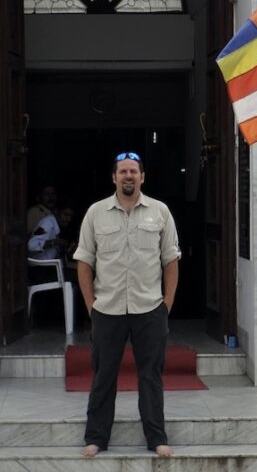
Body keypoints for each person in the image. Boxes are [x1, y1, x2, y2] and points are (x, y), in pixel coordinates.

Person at [72, 151, 180, 458]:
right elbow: (84, 261)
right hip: (108, 308)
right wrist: (91, 304)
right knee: (104, 375)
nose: (128, 176)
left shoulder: (160, 212)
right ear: (114, 177)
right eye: (123, 172)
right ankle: (96, 438)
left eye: (134, 171)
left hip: (150, 308)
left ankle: (156, 439)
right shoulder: (96, 213)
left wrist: (166, 304)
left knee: (151, 376)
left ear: (143, 177)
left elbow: (171, 259)